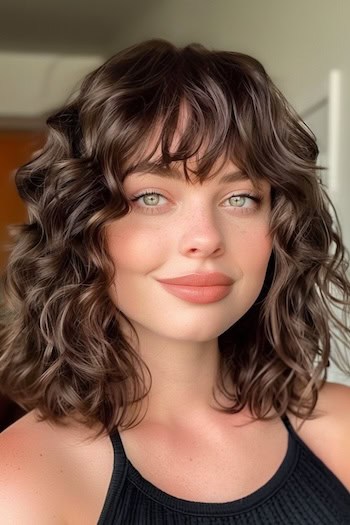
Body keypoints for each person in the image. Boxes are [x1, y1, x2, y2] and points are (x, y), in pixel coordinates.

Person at [0, 39, 349, 524]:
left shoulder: (341, 428)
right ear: (82, 224)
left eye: (241, 198)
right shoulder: (21, 482)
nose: (205, 239)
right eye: (151, 197)